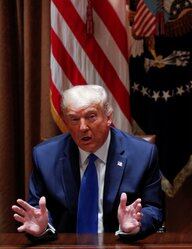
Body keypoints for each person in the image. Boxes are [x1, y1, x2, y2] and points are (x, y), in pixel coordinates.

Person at [12, 85, 163, 240]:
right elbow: (37, 210)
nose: (83, 127)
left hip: (120, 246)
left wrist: (136, 224)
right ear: (65, 122)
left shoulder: (143, 154)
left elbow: (153, 209)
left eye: (91, 117)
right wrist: (43, 228)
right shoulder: (45, 156)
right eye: (74, 119)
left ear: (108, 117)